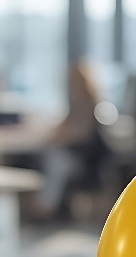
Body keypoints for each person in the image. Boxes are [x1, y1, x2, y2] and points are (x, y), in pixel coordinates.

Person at [32, 62, 105, 220]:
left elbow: (81, 133)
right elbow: (65, 125)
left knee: (57, 163)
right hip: (71, 152)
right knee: (47, 157)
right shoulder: (74, 104)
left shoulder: (91, 105)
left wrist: (60, 136)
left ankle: (46, 208)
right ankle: (40, 205)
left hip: (85, 158)